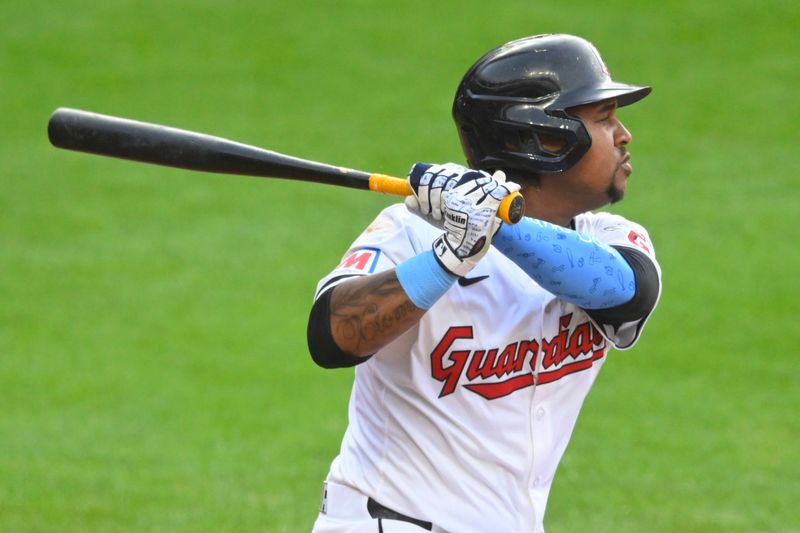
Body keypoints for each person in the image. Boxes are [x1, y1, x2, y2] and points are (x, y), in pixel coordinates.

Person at [306, 33, 661, 533]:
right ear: (546, 137)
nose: (624, 135)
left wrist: (498, 224)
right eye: (603, 119)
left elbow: (624, 290)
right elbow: (332, 336)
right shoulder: (410, 232)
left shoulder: (611, 241)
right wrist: (446, 260)